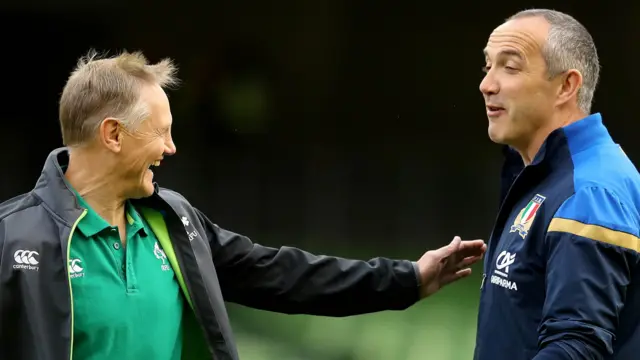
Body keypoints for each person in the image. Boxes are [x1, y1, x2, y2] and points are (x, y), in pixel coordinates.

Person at [0, 50, 486, 360]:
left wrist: (406, 279)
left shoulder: (174, 221)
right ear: (112, 134)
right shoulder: (11, 238)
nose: (171, 148)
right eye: (161, 131)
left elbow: (284, 275)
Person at [475, 8, 640, 360]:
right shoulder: (548, 176)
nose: (487, 84)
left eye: (510, 66)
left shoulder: (589, 193)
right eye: (487, 66)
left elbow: (576, 348)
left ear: (567, 85)